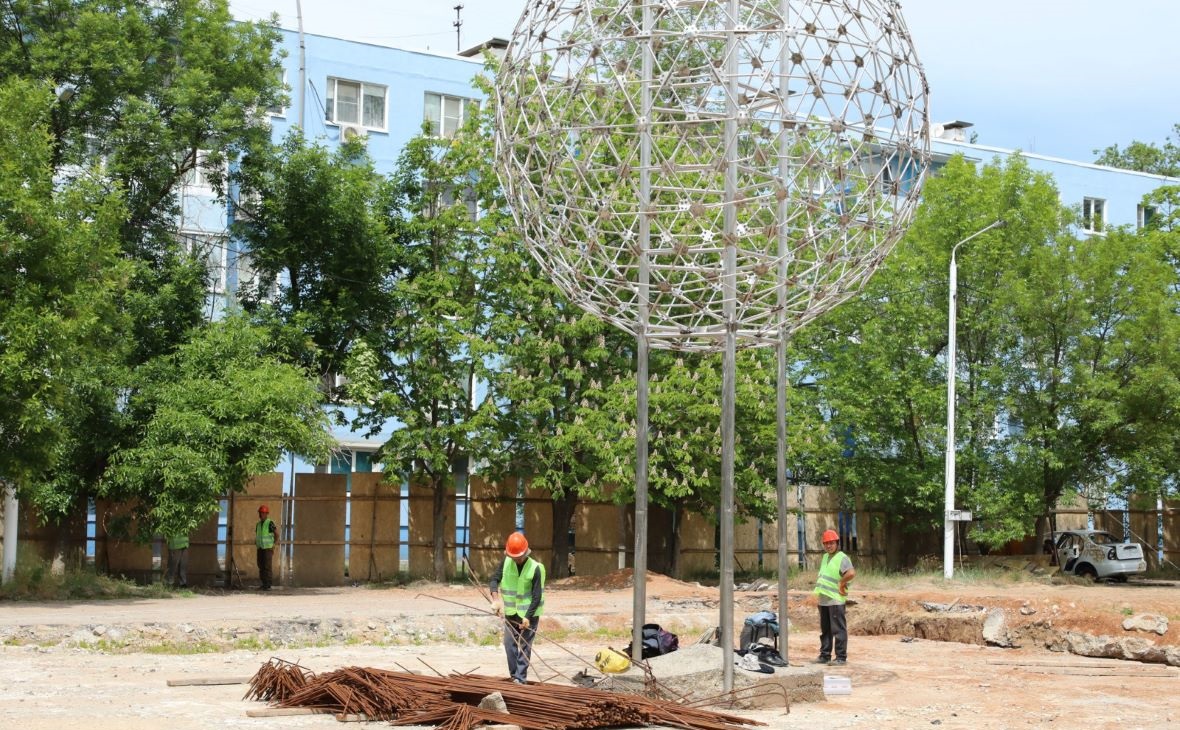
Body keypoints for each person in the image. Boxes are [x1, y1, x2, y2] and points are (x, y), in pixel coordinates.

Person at [489, 531, 546, 684]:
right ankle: (514, 676)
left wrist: (527, 617)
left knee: (525, 646)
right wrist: (496, 600)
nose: (516, 560)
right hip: (511, 613)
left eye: (518, 557)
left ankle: (521, 678)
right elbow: (494, 580)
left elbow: (537, 596)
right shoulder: (506, 562)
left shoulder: (536, 568)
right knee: (509, 644)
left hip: (530, 614)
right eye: (513, 557)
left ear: (526, 552)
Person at [813, 528, 855, 665]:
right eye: (826, 543)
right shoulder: (825, 557)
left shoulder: (842, 557)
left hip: (835, 599)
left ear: (837, 543)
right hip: (824, 599)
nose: (828, 546)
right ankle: (824, 655)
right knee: (825, 630)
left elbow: (851, 573)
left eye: (831, 543)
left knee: (838, 630)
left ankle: (841, 657)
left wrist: (841, 583)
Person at [255, 504, 278, 591]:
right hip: (260, 548)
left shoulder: (270, 523)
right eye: (260, 513)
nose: (261, 514)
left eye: (262, 513)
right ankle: (264, 583)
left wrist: (273, 544)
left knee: (267, 567)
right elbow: (258, 535)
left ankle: (268, 585)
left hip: (268, 548)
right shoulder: (258, 524)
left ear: (266, 514)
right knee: (261, 566)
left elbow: (276, 534)